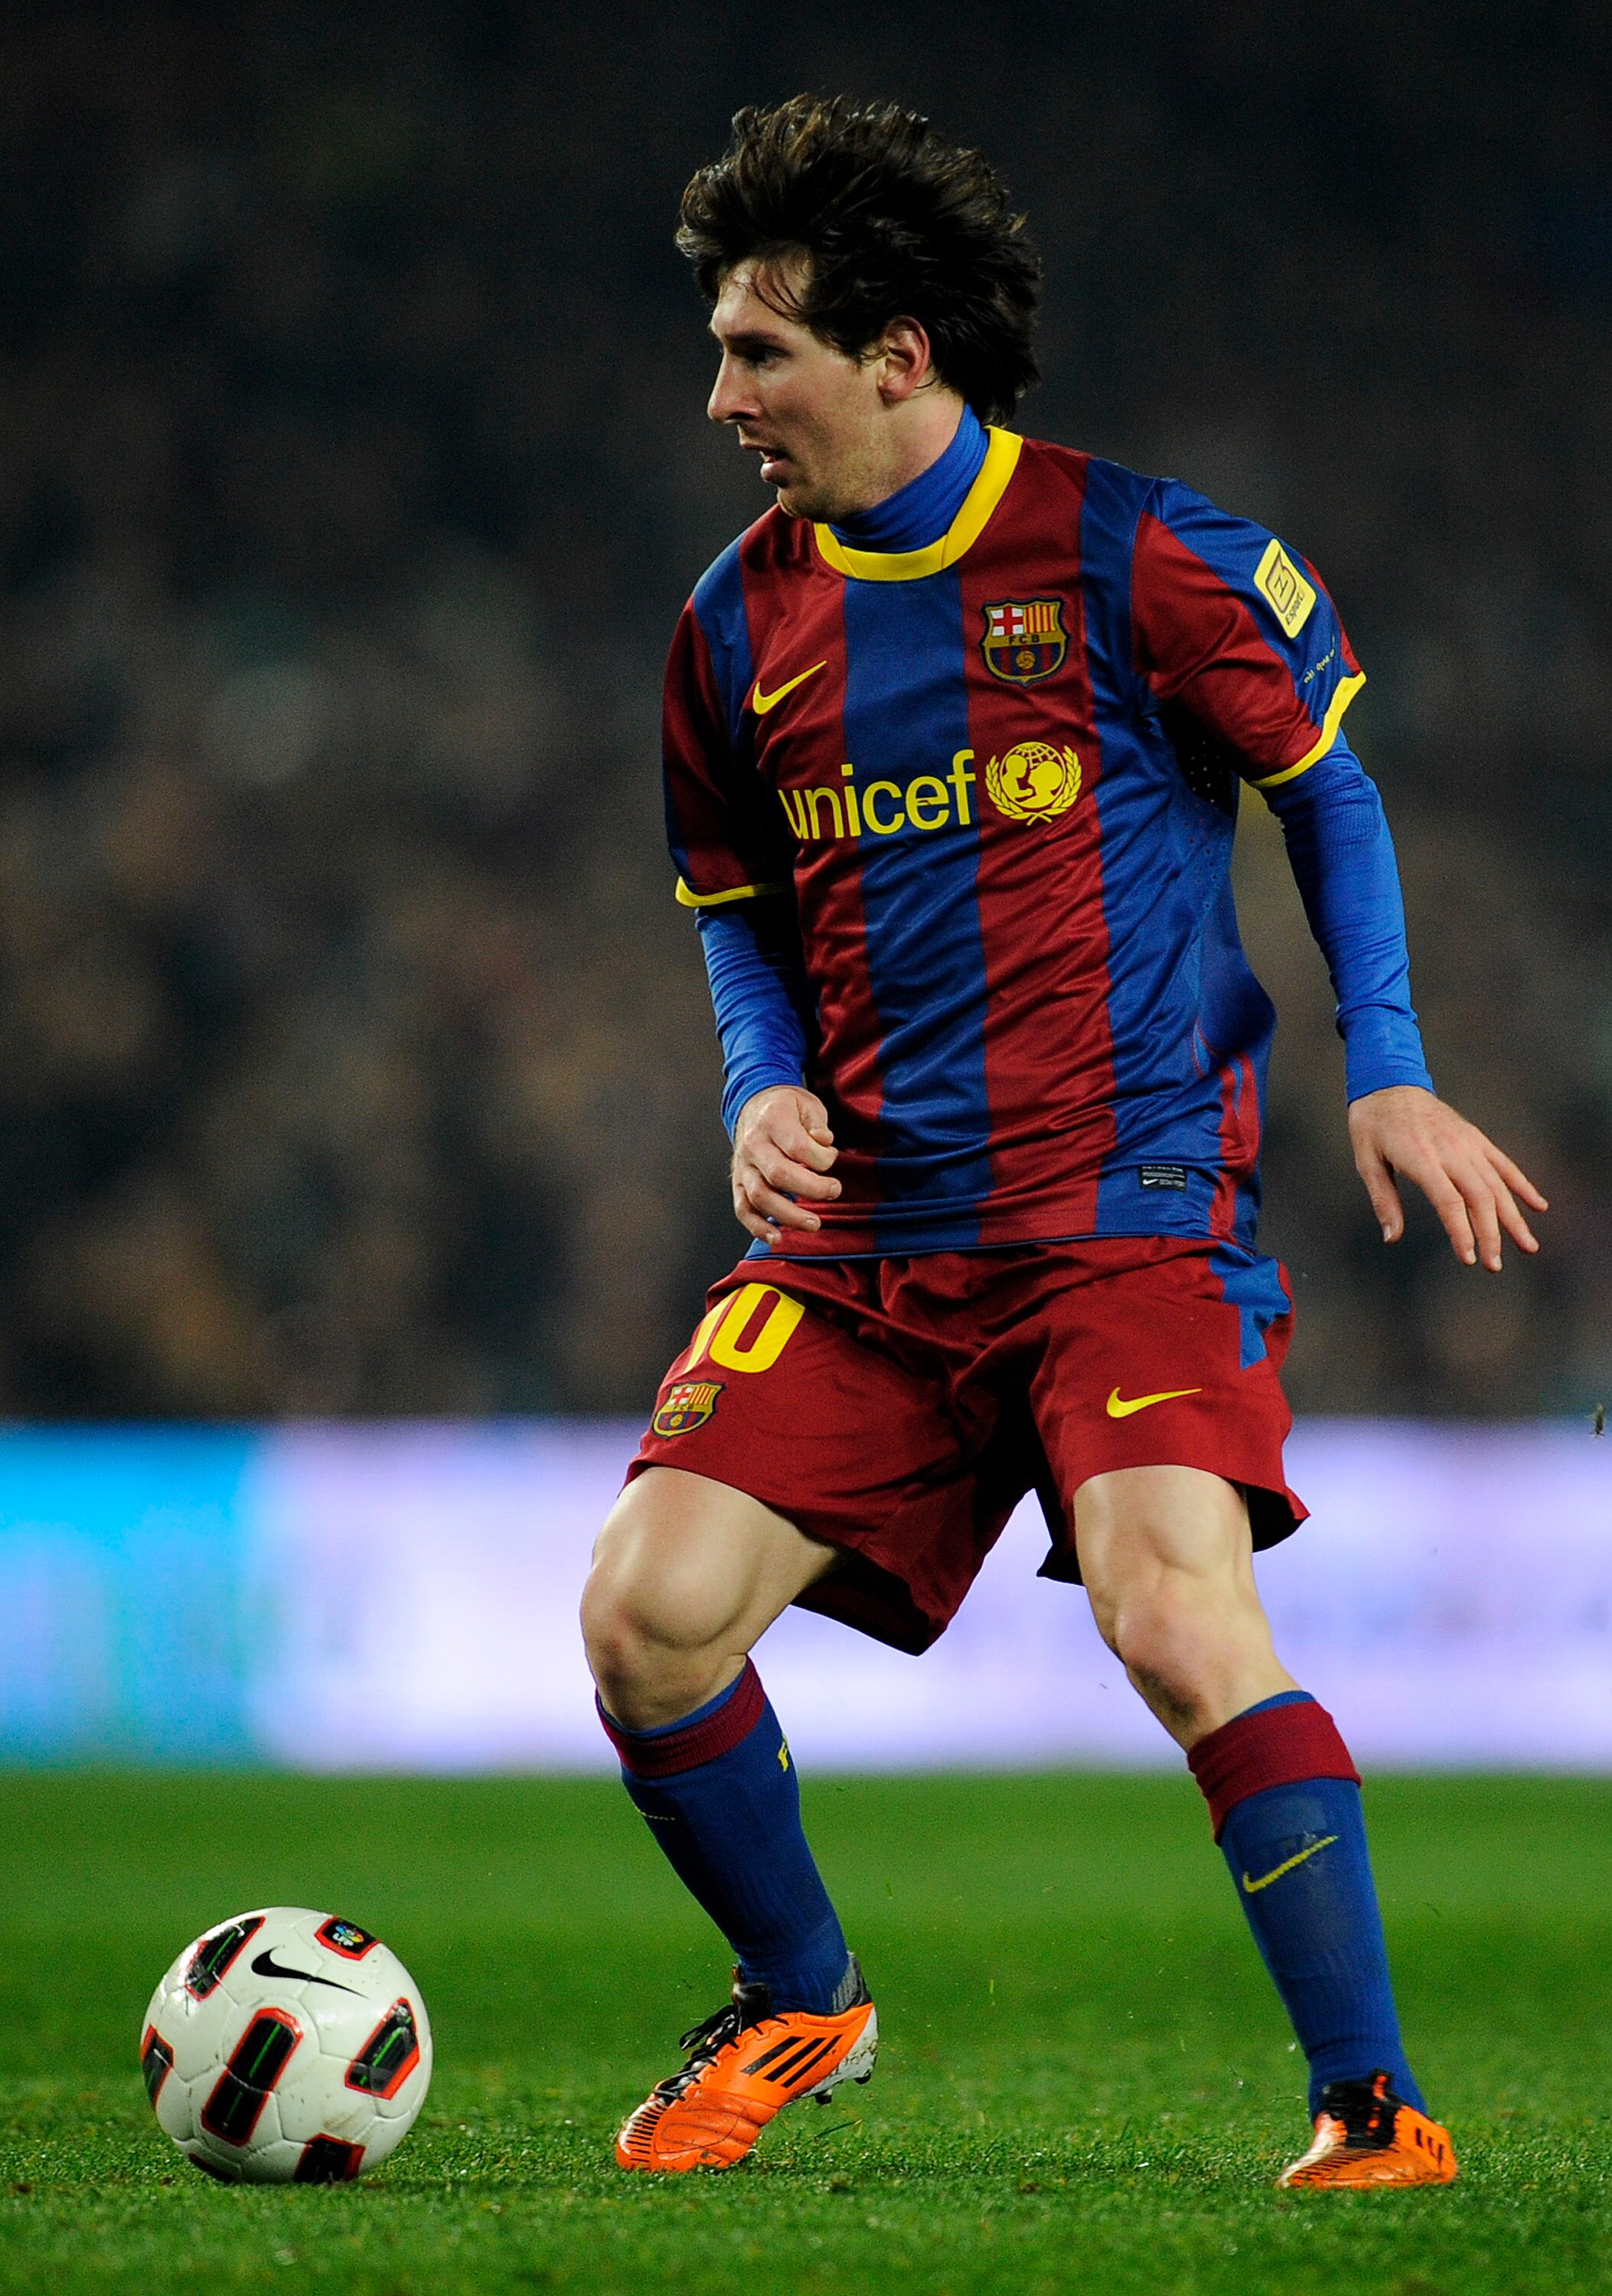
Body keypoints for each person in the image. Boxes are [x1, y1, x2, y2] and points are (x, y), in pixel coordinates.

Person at [580, 94, 1545, 2189]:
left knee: (1176, 1622)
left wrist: (1383, 1058)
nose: (723, 394)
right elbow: (738, 908)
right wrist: (761, 1079)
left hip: (1118, 1221)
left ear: (898, 355)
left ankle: (1369, 2107)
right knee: (644, 1618)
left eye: (761, 351)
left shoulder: (1137, 552)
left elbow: (1327, 787)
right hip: (866, 1249)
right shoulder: (730, 624)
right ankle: (800, 1994)